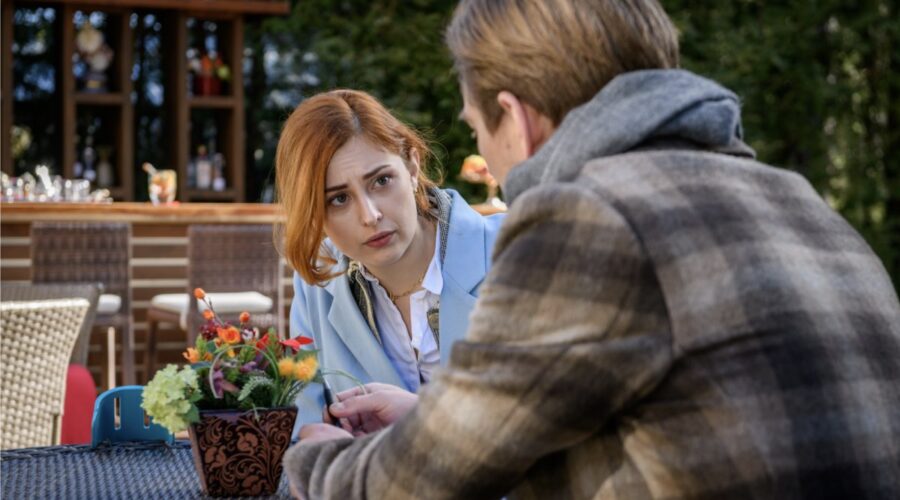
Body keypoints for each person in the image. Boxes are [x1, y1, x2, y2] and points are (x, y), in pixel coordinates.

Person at [285, 1, 900, 498]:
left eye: (476, 127)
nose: (492, 166)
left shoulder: (590, 216)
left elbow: (429, 477)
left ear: (515, 119)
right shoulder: (802, 202)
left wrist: (318, 465)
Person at [275, 89, 504, 429]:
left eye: (381, 180)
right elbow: (305, 425)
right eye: (338, 199)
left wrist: (424, 416)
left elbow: (553, 414)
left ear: (412, 166)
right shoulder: (316, 287)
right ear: (314, 213)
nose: (370, 215)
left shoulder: (511, 252)